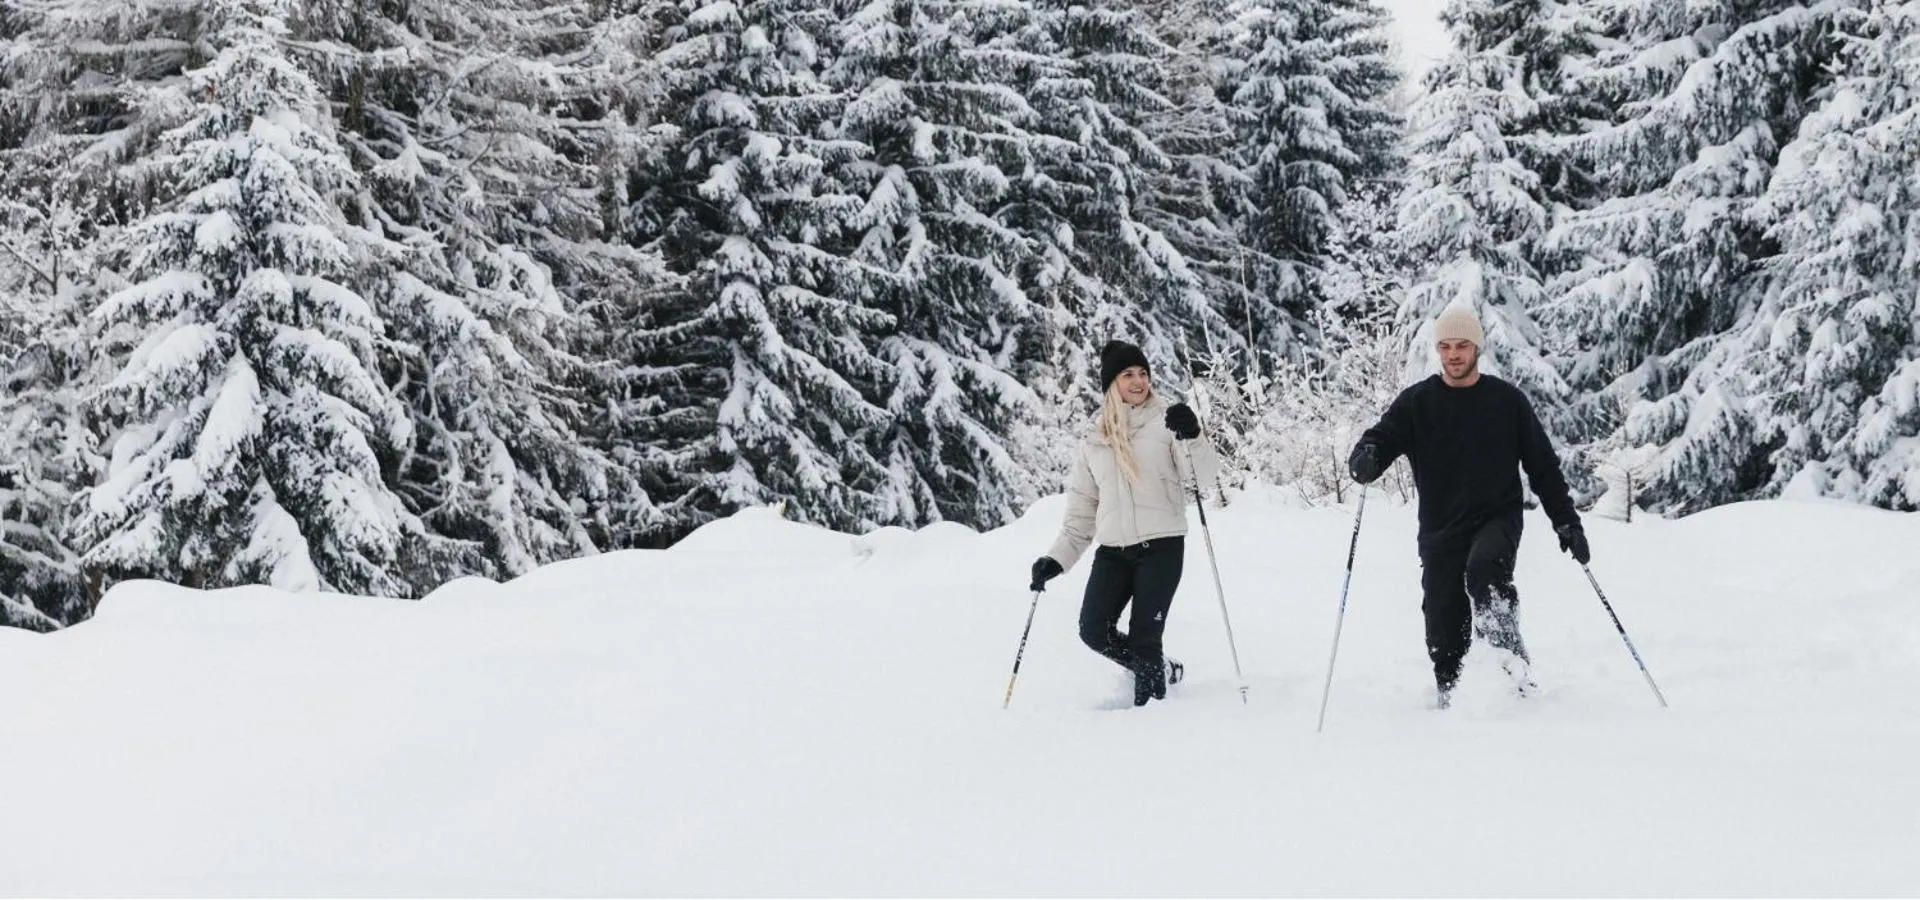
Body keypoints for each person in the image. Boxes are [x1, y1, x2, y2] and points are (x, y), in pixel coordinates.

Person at [1346, 304, 1591, 709]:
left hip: (1497, 517)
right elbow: (1380, 439)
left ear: (1476, 348)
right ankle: (1453, 695)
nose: (1454, 354)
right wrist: (1366, 457)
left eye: (1462, 345)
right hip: (1440, 529)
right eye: (1445, 346)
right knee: (1443, 624)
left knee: (1485, 572)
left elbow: (1543, 468)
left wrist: (1567, 524)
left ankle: (1512, 672)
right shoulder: (1417, 403)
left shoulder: (1507, 402)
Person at [1029, 339, 1220, 707]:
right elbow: (1082, 511)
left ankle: (1148, 727)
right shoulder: (1094, 437)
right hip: (1114, 551)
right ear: (1110, 384)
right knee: (1092, 630)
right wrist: (1055, 559)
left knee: (1145, 637)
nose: (1138, 381)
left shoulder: (1167, 421)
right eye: (1128, 374)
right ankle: (1160, 669)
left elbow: (1204, 477)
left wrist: (1193, 436)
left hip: (1161, 546)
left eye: (1143, 373)